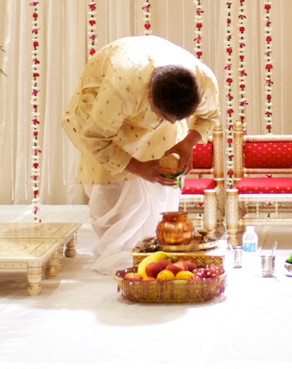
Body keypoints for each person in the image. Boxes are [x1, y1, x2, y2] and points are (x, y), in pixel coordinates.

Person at [61, 36, 219, 275]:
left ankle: (153, 252)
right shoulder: (122, 88)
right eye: (164, 117)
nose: (172, 123)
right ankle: (122, 255)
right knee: (116, 192)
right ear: (149, 96)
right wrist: (139, 167)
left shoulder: (203, 80)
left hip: (151, 96)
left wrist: (188, 143)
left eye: (177, 120)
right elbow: (96, 137)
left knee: (161, 185)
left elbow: (209, 116)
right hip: (107, 113)